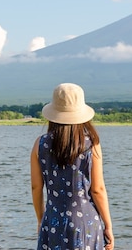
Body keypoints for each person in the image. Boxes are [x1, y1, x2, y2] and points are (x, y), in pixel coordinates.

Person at [31, 83, 114, 250]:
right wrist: (108, 226)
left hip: (52, 220)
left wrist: (41, 220)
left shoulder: (40, 144)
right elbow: (97, 190)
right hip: (85, 221)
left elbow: (36, 187)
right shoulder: (92, 144)